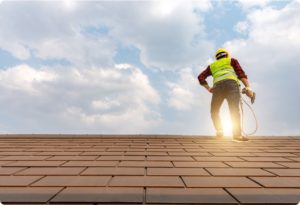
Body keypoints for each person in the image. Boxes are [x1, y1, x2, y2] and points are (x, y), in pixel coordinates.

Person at [198, 48, 254, 141]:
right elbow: (241, 74)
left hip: (217, 88)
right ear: (227, 55)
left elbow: (200, 77)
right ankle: (237, 135)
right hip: (232, 85)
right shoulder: (231, 60)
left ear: (217, 57)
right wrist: (248, 88)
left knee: (214, 110)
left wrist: (208, 88)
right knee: (234, 110)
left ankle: (219, 130)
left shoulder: (212, 66)